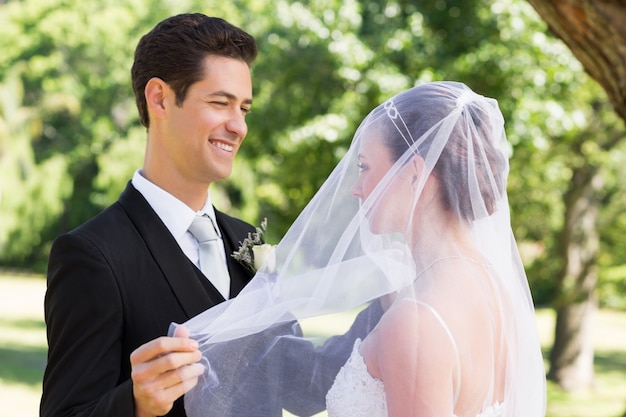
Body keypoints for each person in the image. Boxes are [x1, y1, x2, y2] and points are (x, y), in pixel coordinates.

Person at [176, 81, 547, 417]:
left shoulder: (416, 321)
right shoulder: (493, 288)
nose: (356, 188)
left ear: (416, 173)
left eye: (366, 167)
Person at [41, 13, 260, 417]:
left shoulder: (250, 241)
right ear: (159, 98)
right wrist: (136, 403)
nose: (238, 126)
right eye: (220, 103)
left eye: (244, 108)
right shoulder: (92, 255)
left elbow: (297, 382)